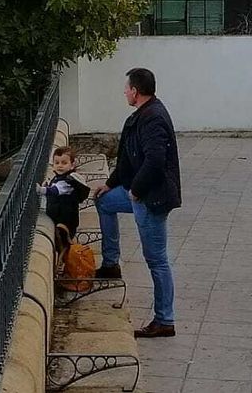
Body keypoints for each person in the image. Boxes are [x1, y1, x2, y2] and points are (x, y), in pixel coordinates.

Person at [92, 67, 181, 338]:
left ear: (135, 91)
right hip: (137, 191)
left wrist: (137, 191)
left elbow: (155, 161)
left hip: (151, 198)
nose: (124, 92)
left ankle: (164, 320)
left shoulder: (153, 118)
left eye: (126, 88)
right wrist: (110, 184)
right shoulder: (141, 115)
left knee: (157, 260)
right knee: (104, 201)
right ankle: (111, 264)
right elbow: (127, 159)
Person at [39, 146, 91, 250]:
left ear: (72, 165)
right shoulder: (59, 178)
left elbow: (55, 191)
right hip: (61, 217)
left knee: (63, 244)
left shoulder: (68, 182)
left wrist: (40, 190)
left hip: (65, 220)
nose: (60, 166)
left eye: (64, 163)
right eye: (57, 163)